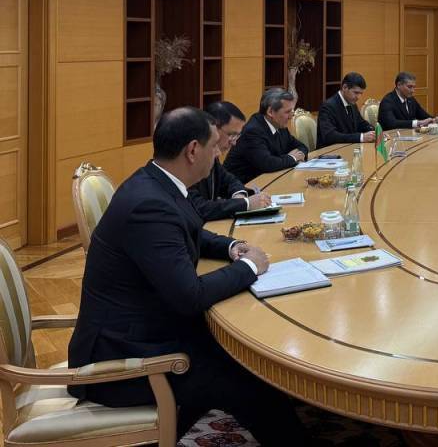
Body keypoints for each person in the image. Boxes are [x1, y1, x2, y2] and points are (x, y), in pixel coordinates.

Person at [68, 107, 307, 444]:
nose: (219, 154)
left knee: (244, 359)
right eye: (215, 147)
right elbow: (189, 296)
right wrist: (250, 267)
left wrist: (232, 247)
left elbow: (190, 229)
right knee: (250, 377)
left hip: (148, 328)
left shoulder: (157, 182)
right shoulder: (149, 205)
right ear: (193, 150)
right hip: (122, 359)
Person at [188, 101, 272, 221]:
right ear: (213, 128)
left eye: (237, 136)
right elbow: (198, 208)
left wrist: (239, 195)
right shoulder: (188, 160)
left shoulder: (212, 157)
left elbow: (229, 180)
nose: (234, 142)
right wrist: (245, 204)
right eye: (231, 135)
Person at [223, 88, 308, 184]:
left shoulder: (280, 125)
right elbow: (268, 164)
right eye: (287, 112)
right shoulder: (253, 131)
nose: (291, 116)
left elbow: (302, 146)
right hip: (241, 186)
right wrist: (292, 158)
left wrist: (296, 156)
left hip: (269, 181)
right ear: (270, 112)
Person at [316, 72, 378, 148]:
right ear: (344, 87)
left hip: (348, 148)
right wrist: (361, 137)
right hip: (329, 152)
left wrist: (376, 132)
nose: (358, 97)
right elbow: (330, 136)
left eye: (361, 93)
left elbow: (361, 124)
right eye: (356, 92)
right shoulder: (328, 106)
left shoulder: (352, 104)